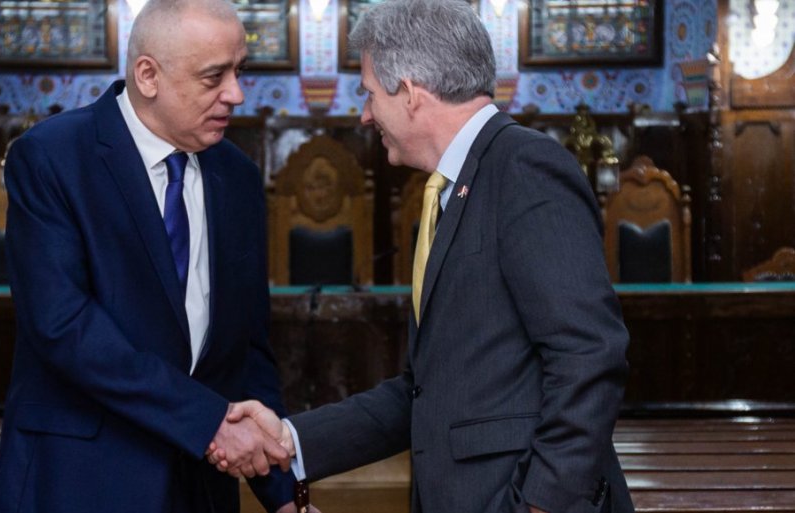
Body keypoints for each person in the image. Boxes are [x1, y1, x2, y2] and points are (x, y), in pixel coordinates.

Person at [211, 0, 634, 511]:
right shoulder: (453, 189)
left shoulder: (525, 168)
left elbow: (589, 355)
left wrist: (539, 505)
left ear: (410, 93)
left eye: (369, 93)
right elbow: (423, 391)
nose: (365, 114)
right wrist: (289, 439)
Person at [0, 0, 301, 511]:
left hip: (201, 487)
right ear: (148, 75)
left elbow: (246, 349)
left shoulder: (238, 177)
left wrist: (283, 496)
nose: (236, 94)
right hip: (81, 481)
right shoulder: (52, 158)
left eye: (239, 72)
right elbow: (63, 327)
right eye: (213, 77)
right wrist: (209, 423)